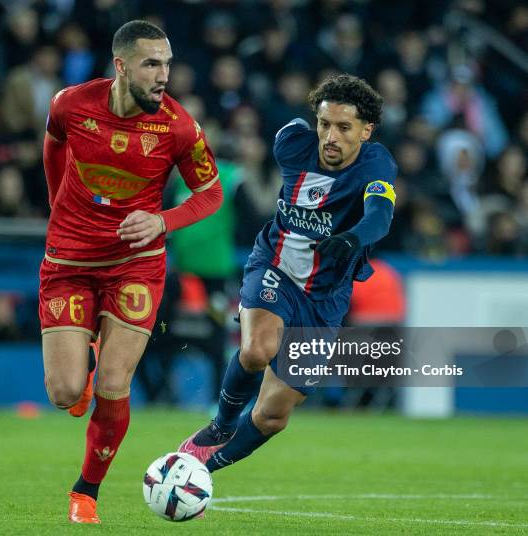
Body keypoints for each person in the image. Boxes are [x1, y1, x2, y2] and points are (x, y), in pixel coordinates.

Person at [39, 20, 222, 524]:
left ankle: (86, 492)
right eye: (151, 64)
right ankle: (84, 367)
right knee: (63, 393)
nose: (163, 75)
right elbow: (54, 144)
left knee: (114, 385)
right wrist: (58, 203)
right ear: (121, 66)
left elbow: (211, 193)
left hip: (134, 265)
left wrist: (162, 220)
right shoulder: (71, 104)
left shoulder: (179, 126)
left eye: (167, 64)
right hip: (70, 262)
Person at [179, 74, 397, 473]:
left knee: (273, 415)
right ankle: (219, 426)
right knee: (255, 349)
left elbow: (380, 216)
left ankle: (201, 471)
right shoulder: (292, 142)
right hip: (274, 267)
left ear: (366, 131)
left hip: (325, 297)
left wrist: (352, 238)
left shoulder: (376, 163)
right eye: (325, 124)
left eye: (343, 128)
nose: (330, 136)